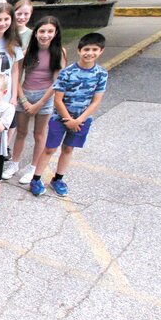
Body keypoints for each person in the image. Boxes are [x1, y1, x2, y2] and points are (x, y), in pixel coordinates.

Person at [30, 33, 107, 198]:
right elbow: (58, 99)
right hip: (60, 118)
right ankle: (36, 179)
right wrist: (68, 120)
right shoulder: (67, 73)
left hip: (82, 119)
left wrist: (79, 120)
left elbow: (95, 101)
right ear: (79, 50)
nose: (90, 53)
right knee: (50, 148)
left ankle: (58, 179)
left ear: (101, 51)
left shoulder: (101, 74)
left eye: (95, 49)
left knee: (68, 148)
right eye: (86, 49)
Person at [4, 16, 66, 185]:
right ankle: (14, 163)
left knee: (39, 134)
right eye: (42, 31)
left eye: (50, 31)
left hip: (45, 97)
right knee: (21, 132)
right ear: (36, 32)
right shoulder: (27, 51)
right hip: (25, 94)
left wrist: (40, 103)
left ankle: (33, 167)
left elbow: (57, 82)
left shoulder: (59, 52)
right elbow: (16, 75)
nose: (45, 35)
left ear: (55, 33)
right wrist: (23, 99)